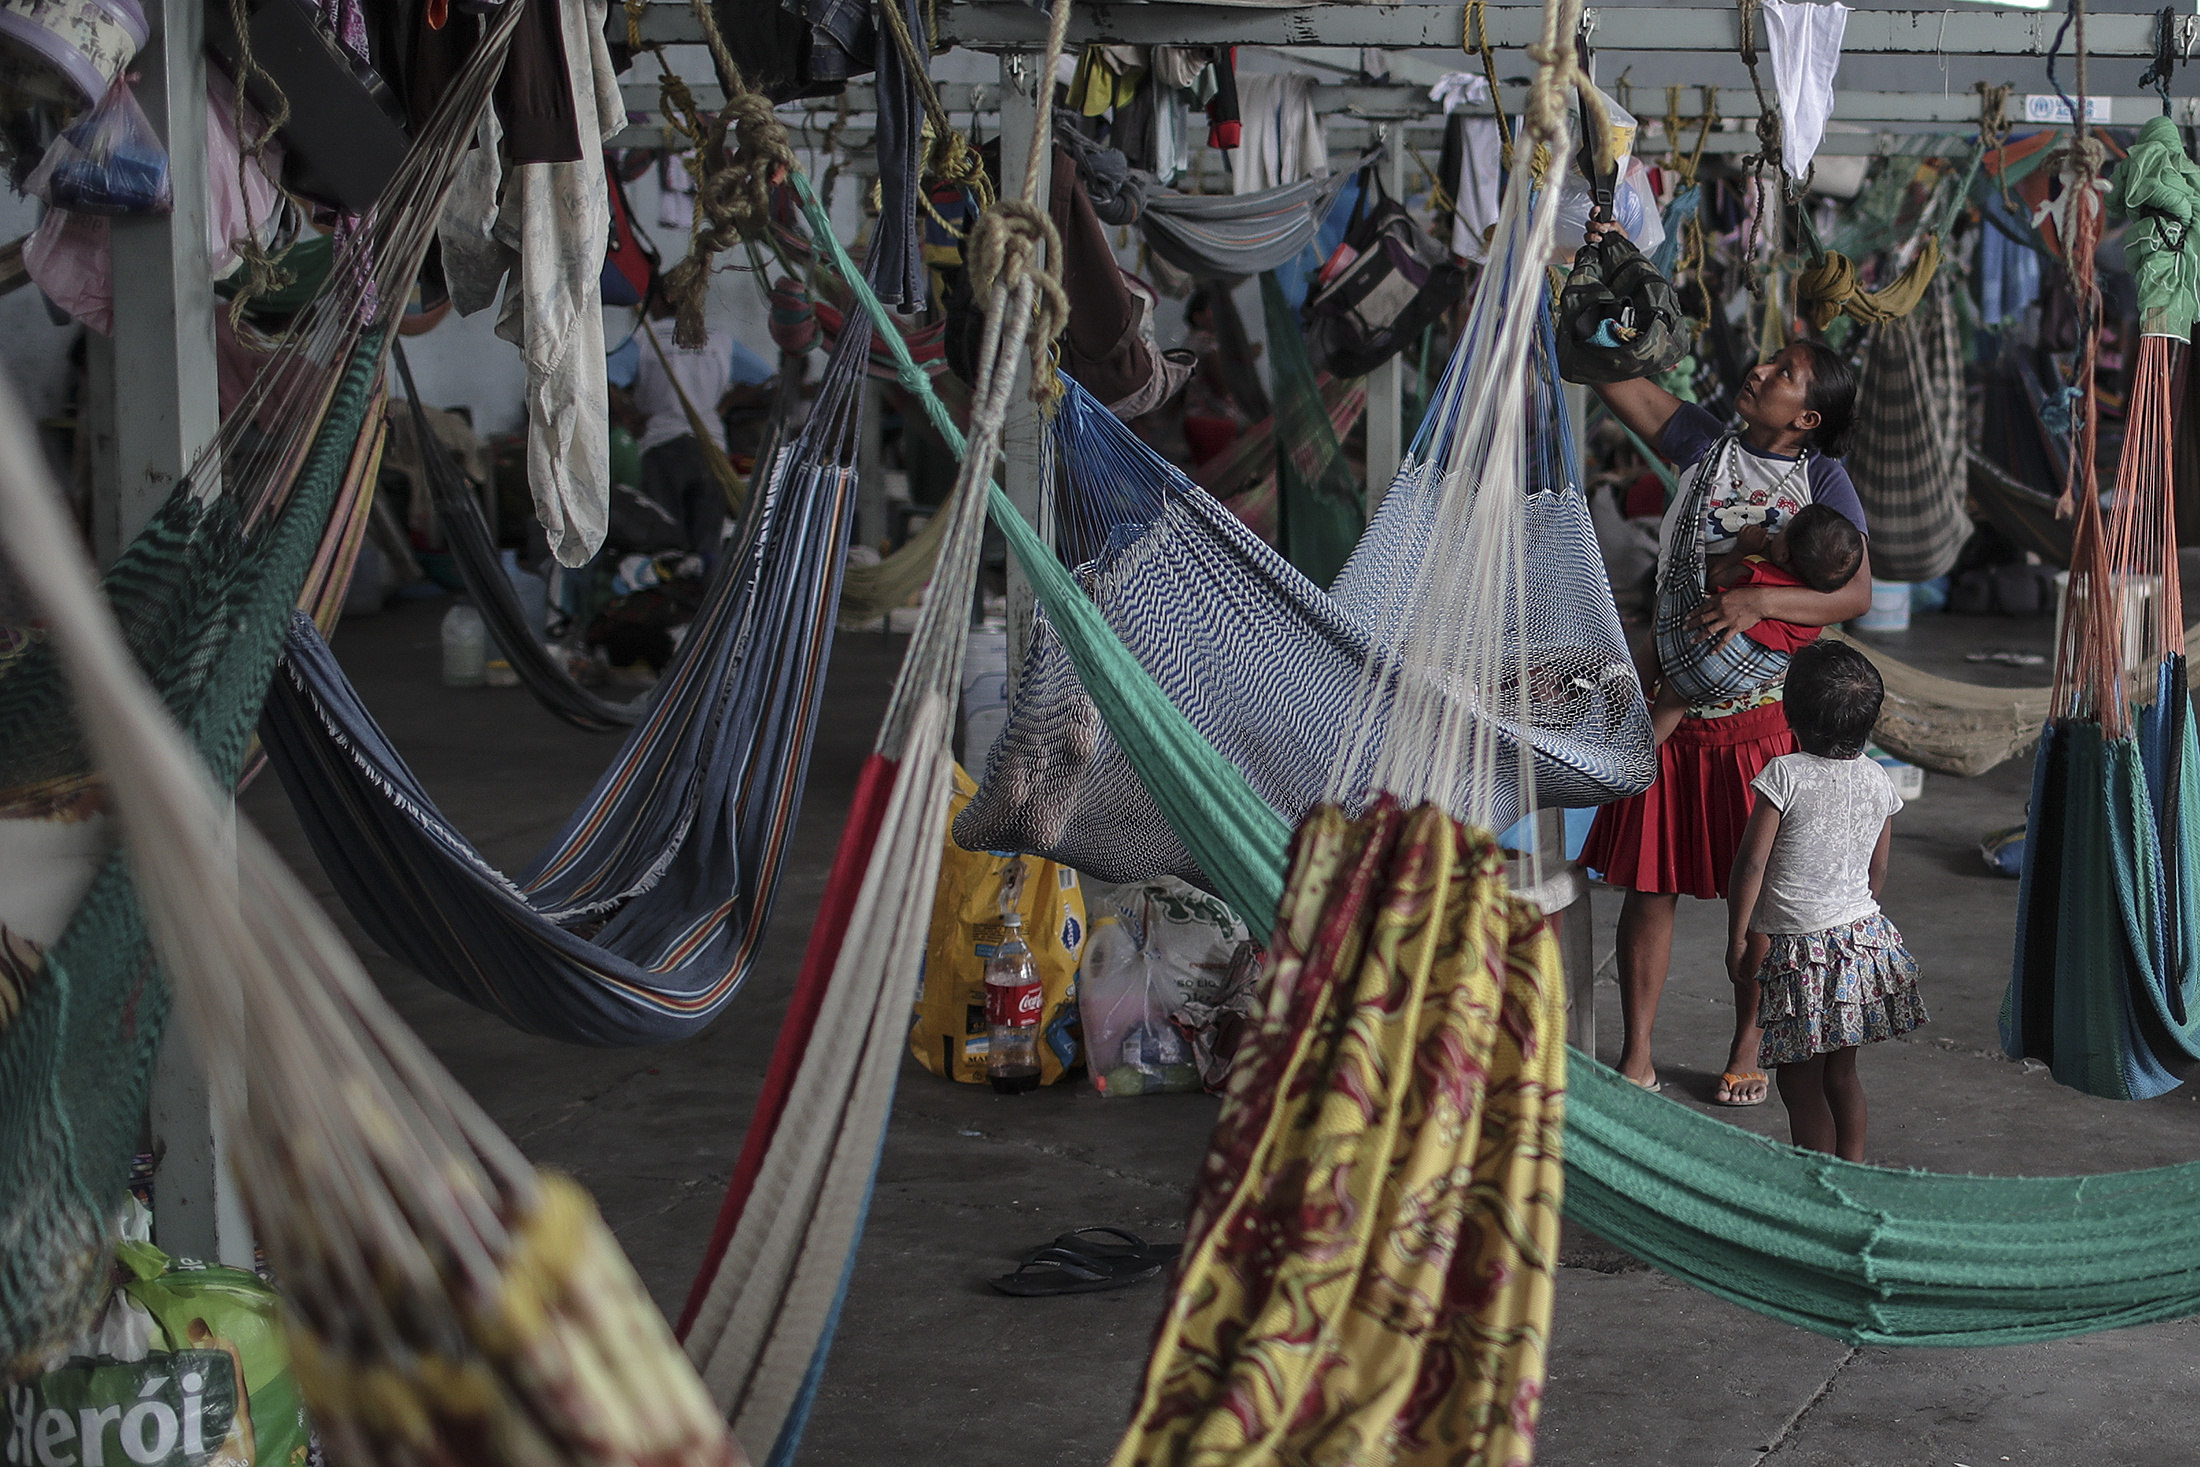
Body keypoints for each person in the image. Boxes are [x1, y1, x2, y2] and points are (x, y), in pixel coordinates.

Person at [1577, 219, 1872, 1109]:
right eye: (1770, 362)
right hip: (1679, 696)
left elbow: (1853, 596)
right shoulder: (1702, 442)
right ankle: (1638, 1050)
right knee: (1651, 889)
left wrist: (1759, 601)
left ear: (1808, 416)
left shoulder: (1825, 486)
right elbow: (1606, 371)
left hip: (1761, 721)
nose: (1762, 372)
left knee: (1765, 904)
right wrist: (1605, 263)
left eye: (1783, 375)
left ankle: (1748, 1042)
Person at [1723, 641, 1925, 1159]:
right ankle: (1853, 1170)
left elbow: (1750, 865)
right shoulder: (1879, 778)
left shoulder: (1784, 775)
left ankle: (1820, 1186)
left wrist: (1740, 935)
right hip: (1861, 943)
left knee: (1797, 1081)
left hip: (1801, 954)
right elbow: (1877, 871)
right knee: (1842, 1074)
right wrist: (1852, 909)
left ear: (1788, 711)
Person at [1646, 505, 1866, 744]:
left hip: (1710, 659)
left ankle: (1628, 738)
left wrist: (1741, 550)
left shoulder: (1758, 572)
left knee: (1660, 668)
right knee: (1675, 703)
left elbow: (1715, 579)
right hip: (1743, 680)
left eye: (1784, 530)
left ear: (1782, 554)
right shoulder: (1811, 610)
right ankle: (1642, 753)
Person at [625, 281, 736, 555]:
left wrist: (629, 415)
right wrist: (725, 404)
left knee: (666, 538)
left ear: (661, 301)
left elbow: (605, 380)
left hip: (663, 445)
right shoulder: (720, 340)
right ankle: (708, 592)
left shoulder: (643, 339)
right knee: (708, 541)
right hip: (711, 448)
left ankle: (674, 590)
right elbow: (766, 380)